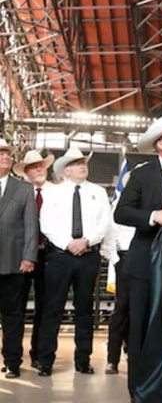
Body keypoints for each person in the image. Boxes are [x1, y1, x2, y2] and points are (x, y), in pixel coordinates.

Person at [114, 115, 162, 393]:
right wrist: (154, 215)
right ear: (161, 143)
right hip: (145, 262)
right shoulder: (142, 173)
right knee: (141, 326)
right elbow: (121, 212)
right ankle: (139, 388)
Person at [36, 146, 112, 376]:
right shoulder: (53, 193)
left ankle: (83, 360)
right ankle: (45, 361)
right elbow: (46, 224)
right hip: (60, 256)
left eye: (83, 162)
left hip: (88, 256)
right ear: (66, 170)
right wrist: (68, 243)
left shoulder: (98, 192)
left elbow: (105, 223)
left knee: (85, 309)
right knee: (52, 309)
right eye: (76, 163)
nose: (82, 166)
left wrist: (86, 240)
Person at [11, 149, 54, 370]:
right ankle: (13, 357)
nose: (39, 169)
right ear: (26, 172)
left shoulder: (56, 193)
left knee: (45, 306)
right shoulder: (16, 192)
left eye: (41, 165)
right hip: (21, 255)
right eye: (33, 166)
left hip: (49, 253)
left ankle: (38, 352)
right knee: (15, 307)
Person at [0, 139, 38, 379]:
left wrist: (29, 257)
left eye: (7, 153)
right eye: (0, 153)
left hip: (13, 262)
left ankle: (12, 362)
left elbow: (31, 226)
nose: (5, 156)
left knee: (13, 316)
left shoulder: (24, 189)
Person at [102, 209, 135, 374]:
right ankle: (112, 359)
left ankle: (135, 354)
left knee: (142, 310)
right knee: (121, 310)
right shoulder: (119, 206)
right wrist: (117, 262)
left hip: (147, 259)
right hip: (124, 258)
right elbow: (108, 239)